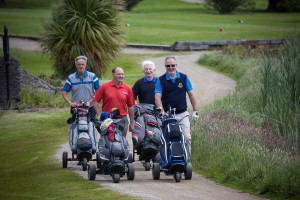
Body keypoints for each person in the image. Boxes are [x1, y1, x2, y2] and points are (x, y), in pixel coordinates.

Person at [154, 56, 199, 154]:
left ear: (176, 65)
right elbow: (157, 97)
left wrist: (195, 111)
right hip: (167, 115)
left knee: (187, 137)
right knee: (168, 139)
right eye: (168, 66)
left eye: (173, 65)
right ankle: (169, 160)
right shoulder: (161, 80)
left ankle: (186, 160)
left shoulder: (183, 77)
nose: (171, 67)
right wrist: (162, 112)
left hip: (183, 114)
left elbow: (191, 95)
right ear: (165, 66)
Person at [92, 67, 135, 137]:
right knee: (107, 141)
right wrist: (99, 114)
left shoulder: (128, 88)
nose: (121, 76)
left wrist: (132, 123)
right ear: (113, 75)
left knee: (122, 142)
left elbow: (131, 107)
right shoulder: (104, 87)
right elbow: (95, 101)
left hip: (122, 119)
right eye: (118, 74)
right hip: (107, 119)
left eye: (122, 74)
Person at [62, 55, 100, 123]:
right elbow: (64, 93)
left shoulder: (92, 76)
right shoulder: (71, 77)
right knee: (76, 128)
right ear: (76, 65)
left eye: (82, 64)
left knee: (91, 128)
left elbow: (99, 91)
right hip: (76, 108)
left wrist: (90, 101)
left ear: (85, 65)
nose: (81, 66)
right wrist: (70, 103)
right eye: (79, 64)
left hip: (90, 107)